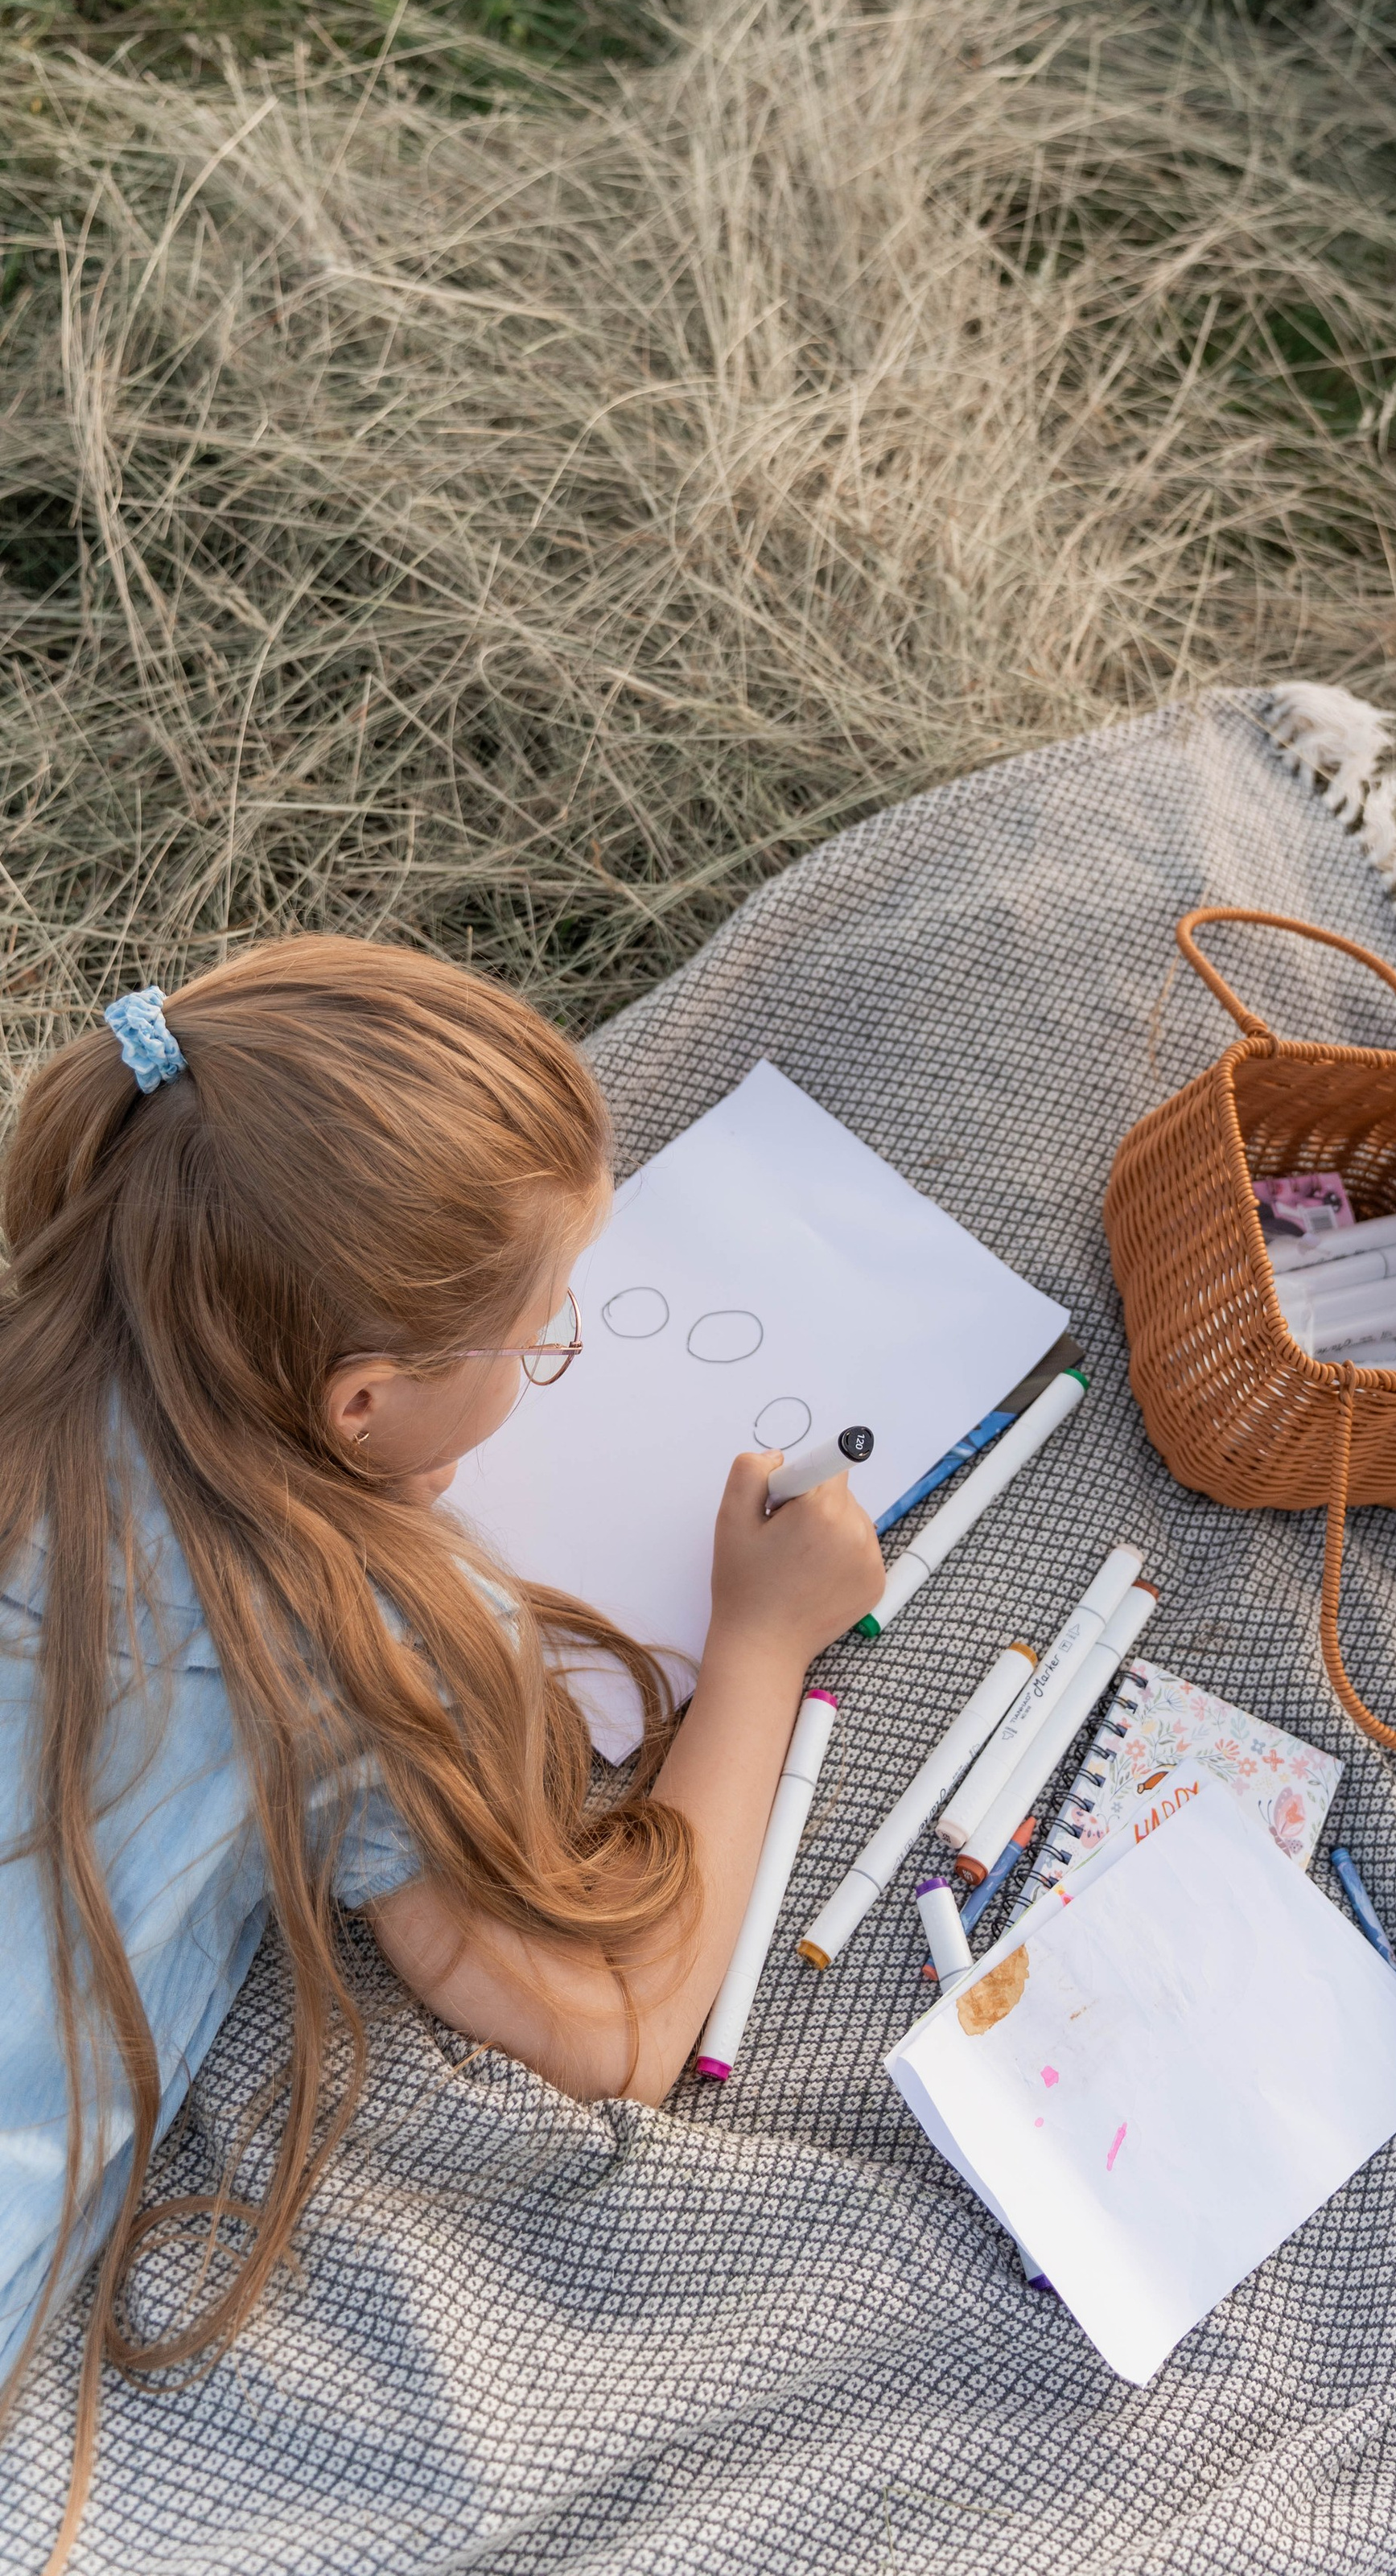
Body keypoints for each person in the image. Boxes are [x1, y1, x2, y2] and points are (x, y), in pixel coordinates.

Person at [0, 940, 882, 2553]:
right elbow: (612, 2030)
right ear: (360, 1404)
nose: (555, 1359)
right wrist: (763, 1640)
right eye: (542, 1337)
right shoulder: (351, 1634)